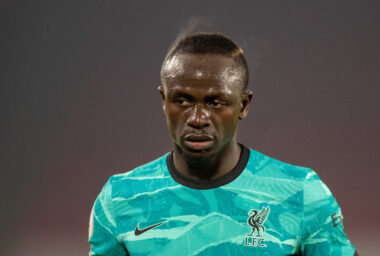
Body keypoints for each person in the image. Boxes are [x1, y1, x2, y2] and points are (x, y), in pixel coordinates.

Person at [88, 32, 357, 255]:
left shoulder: (301, 193)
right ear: (163, 100)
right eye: (182, 100)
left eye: (215, 103)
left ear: (244, 104)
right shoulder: (121, 198)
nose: (197, 118)